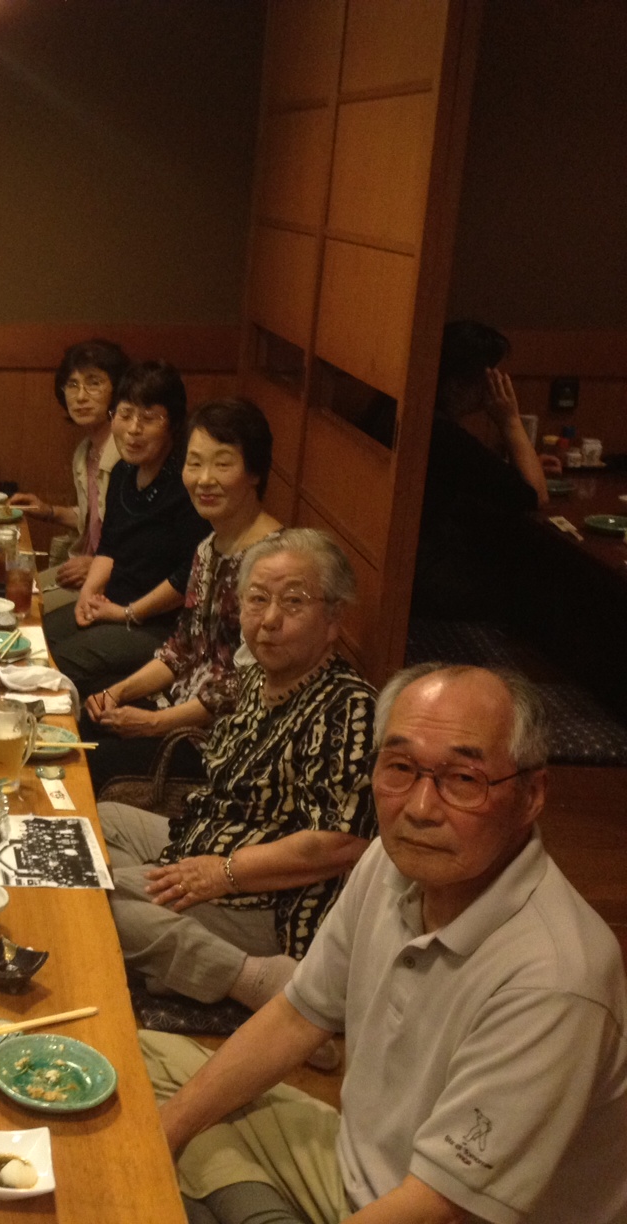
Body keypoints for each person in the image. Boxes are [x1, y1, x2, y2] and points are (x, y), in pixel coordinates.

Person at [146, 664, 627, 1224]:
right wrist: (159, 1138)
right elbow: (297, 1017)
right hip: (352, 1170)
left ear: (532, 794)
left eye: (462, 779)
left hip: (432, 1209)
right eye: (399, 767)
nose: (420, 808)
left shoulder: (557, 981)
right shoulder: (388, 862)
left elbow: (440, 1208)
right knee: (142, 1064)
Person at [100, 528, 375, 1017]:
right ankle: (173, 950)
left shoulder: (349, 708)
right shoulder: (255, 681)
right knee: (99, 822)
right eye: (257, 599)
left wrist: (224, 873)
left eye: (293, 602)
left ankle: (253, 978)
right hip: (205, 839)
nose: (269, 620)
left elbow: (340, 843)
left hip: (274, 899)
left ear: (333, 619)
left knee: (93, 898)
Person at [81, 398, 282, 788]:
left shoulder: (273, 563)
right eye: (195, 463)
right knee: (86, 714)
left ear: (254, 473)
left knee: (94, 762)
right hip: (179, 704)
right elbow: (182, 648)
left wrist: (154, 724)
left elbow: (247, 684)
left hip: (221, 741)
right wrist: (116, 693)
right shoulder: (208, 548)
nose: (204, 479)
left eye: (222, 464)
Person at [48, 360, 209, 697]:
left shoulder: (185, 485)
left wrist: (126, 613)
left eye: (149, 418)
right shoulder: (123, 472)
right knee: (35, 637)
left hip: (160, 626)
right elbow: (109, 545)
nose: (134, 429)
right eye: (125, 414)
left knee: (57, 665)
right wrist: (88, 594)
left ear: (173, 424)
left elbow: (188, 577)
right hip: (114, 603)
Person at [412, 320, 549, 621]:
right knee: (540, 583)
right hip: (424, 576)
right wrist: (510, 421)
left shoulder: (407, 411)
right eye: (489, 378)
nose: (494, 388)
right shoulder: (442, 435)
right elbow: (535, 495)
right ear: (455, 385)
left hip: (413, 561)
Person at [10, 338, 132, 614]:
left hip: (113, 583)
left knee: (25, 611)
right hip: (83, 567)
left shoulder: (126, 452)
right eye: (73, 384)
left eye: (94, 383)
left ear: (117, 389)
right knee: (10, 592)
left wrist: (98, 564)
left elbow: (138, 539)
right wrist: (48, 511)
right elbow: (94, 517)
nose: (80, 396)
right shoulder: (85, 450)